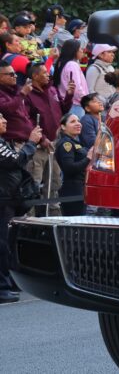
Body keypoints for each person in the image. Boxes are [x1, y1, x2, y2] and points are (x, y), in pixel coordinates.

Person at [0, 114, 43, 303]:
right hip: (3, 200)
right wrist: (31, 143)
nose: (4, 120)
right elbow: (15, 160)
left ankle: (8, 280)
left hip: (9, 199)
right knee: (1, 244)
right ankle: (2, 287)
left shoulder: (3, 141)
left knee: (7, 242)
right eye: (0, 118)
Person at [22, 64, 69, 216]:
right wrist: (41, 138)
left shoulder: (52, 90)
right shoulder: (28, 94)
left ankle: (53, 216)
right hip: (37, 147)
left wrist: (68, 95)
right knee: (34, 183)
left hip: (54, 144)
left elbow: (63, 110)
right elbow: (25, 119)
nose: (48, 75)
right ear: (34, 76)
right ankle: (29, 221)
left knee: (54, 183)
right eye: (44, 73)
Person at [54, 112, 92, 216]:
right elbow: (69, 168)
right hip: (72, 190)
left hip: (79, 187)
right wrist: (88, 158)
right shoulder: (66, 144)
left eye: (79, 121)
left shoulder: (75, 142)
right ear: (63, 127)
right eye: (73, 121)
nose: (78, 123)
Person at [53, 39, 87, 117]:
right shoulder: (72, 64)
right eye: (80, 49)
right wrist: (86, 101)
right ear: (74, 51)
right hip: (76, 104)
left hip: (66, 102)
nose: (82, 51)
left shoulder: (60, 63)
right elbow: (77, 88)